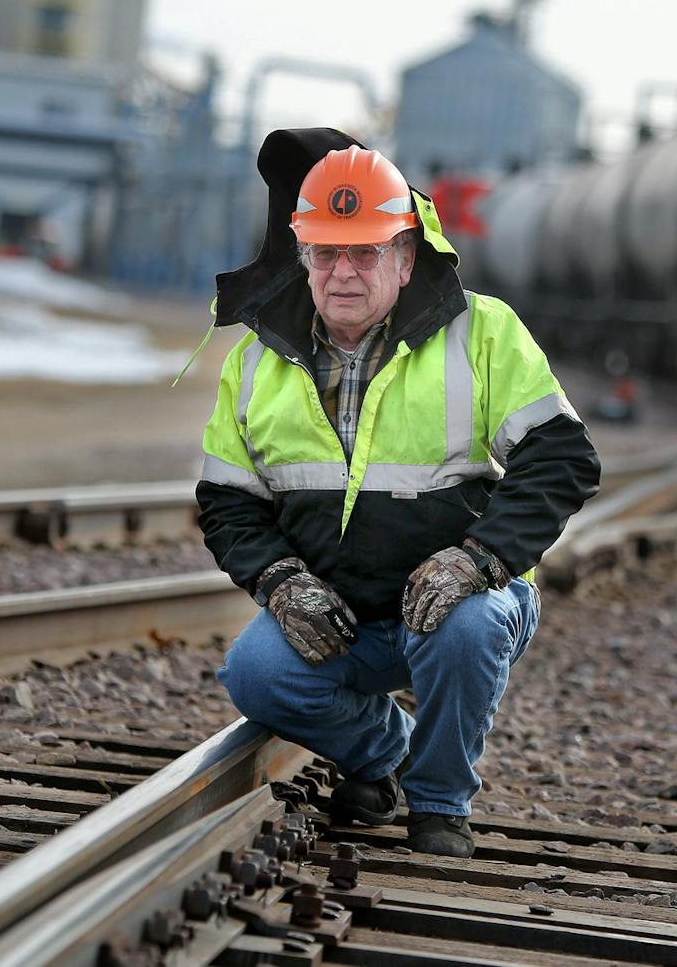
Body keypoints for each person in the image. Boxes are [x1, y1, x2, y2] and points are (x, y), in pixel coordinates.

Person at [197, 128, 600, 857]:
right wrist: (282, 581)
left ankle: (440, 801)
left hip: (458, 602)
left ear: (406, 257)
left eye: (365, 251)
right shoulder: (256, 362)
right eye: (325, 251)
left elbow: (563, 457)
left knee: (467, 629)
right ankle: (388, 753)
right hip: (341, 614)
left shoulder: (483, 334)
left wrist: (479, 559)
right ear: (303, 255)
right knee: (255, 671)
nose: (342, 272)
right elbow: (228, 499)